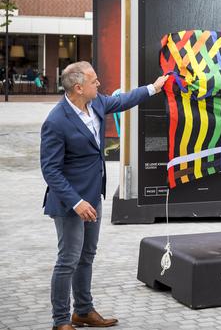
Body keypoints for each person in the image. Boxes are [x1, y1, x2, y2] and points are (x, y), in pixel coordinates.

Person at [41, 61, 168, 330]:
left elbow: (122, 101)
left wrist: (154, 88)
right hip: (70, 203)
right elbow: (50, 170)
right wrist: (76, 202)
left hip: (93, 197)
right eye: (94, 81)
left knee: (87, 256)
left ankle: (83, 311)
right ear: (78, 87)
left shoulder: (97, 103)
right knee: (68, 260)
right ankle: (61, 320)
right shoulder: (56, 121)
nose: (99, 84)